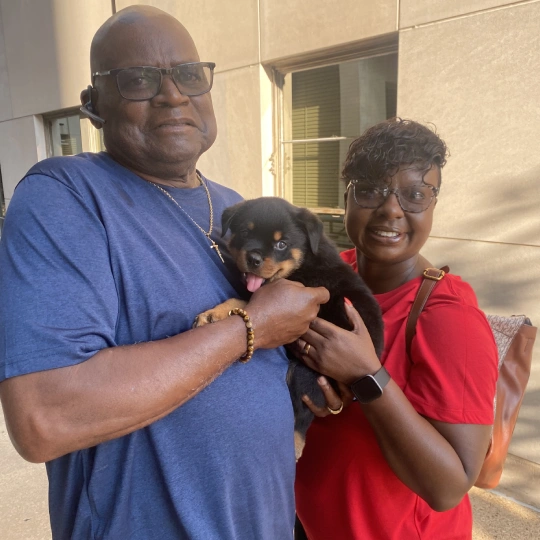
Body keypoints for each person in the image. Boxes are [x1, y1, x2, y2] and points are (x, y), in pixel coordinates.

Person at [0, 6, 330, 539]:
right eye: (137, 80)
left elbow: (277, 343)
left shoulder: (234, 207)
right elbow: (46, 417)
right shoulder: (65, 197)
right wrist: (250, 329)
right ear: (93, 107)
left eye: (189, 75)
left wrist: (315, 382)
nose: (172, 94)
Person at [294, 118, 499, 539]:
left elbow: (449, 486)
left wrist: (365, 377)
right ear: (347, 197)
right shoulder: (332, 273)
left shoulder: (448, 317)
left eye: (415, 195)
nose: (391, 210)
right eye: (370, 190)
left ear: (432, 205)